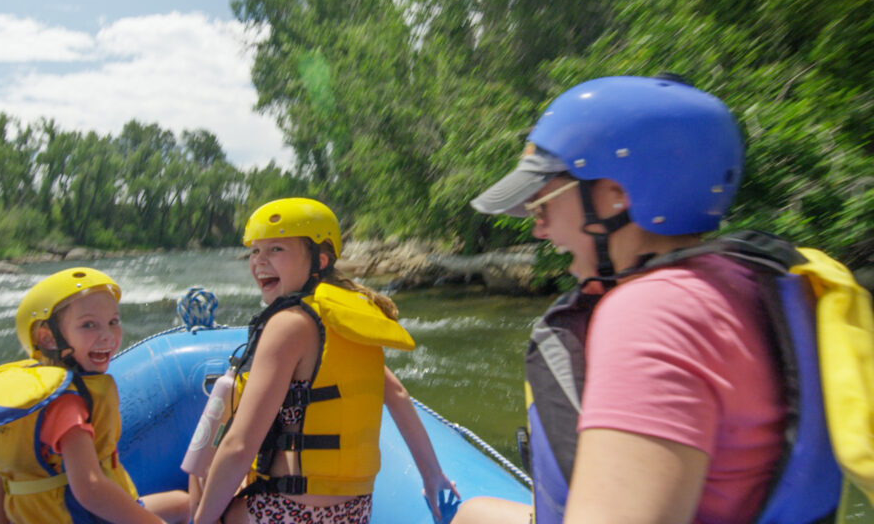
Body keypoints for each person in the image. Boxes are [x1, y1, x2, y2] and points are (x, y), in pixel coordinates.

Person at [455, 75, 841, 523]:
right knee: (474, 513)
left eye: (543, 204)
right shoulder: (743, 284)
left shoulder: (654, 313)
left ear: (616, 196)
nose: (538, 228)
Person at [191, 197, 457, 524]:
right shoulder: (346, 320)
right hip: (354, 512)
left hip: (288, 510)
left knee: (201, 493)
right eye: (255, 251)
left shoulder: (288, 325)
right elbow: (398, 395)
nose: (259, 261)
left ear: (320, 259)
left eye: (276, 249)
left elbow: (239, 446)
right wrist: (432, 476)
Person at [0, 267, 190, 524]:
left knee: (181, 504)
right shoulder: (68, 405)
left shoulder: (17, 394)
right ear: (48, 338)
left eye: (113, 321)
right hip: (79, 517)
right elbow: (90, 488)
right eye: (88, 325)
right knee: (184, 507)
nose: (108, 335)